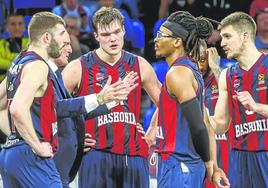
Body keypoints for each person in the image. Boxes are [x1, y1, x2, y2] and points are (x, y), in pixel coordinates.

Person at [0, 11, 134, 187]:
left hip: (11, 155)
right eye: (63, 35)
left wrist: (14, 137)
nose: (67, 43)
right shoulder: (39, 66)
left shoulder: (19, 62)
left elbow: (3, 105)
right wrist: (35, 144)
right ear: (47, 37)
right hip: (32, 156)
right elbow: (17, 108)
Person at [62, 7, 162, 188]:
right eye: (106, 34)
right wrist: (74, 138)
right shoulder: (78, 68)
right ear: (96, 36)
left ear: (124, 30)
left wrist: (151, 134)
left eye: (116, 32)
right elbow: (55, 107)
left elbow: (166, 103)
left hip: (134, 155)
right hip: (94, 155)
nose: (113, 39)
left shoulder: (140, 64)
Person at [153, 11, 226, 187]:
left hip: (179, 165)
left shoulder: (178, 73)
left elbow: (199, 127)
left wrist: (209, 163)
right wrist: (213, 166)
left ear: (177, 41)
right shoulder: (190, 70)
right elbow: (207, 123)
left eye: (161, 35)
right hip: (185, 166)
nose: (156, 39)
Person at [209, 12, 268, 188]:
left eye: (227, 36)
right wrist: (201, 117)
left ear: (245, 36)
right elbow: (220, 124)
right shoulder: (227, 75)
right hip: (239, 158)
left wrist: (256, 106)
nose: (222, 43)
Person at [197, 43, 230, 188]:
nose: (199, 65)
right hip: (199, 159)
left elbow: (232, 97)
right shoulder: (186, 82)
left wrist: (215, 67)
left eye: (203, 59)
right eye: (195, 60)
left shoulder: (223, 77)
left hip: (226, 155)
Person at [0, 13, 28, 82]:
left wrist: (8, 61)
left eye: (20, 24)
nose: (17, 27)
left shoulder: (31, 43)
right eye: (12, 24)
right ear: (7, 27)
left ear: (24, 27)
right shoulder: (1, 44)